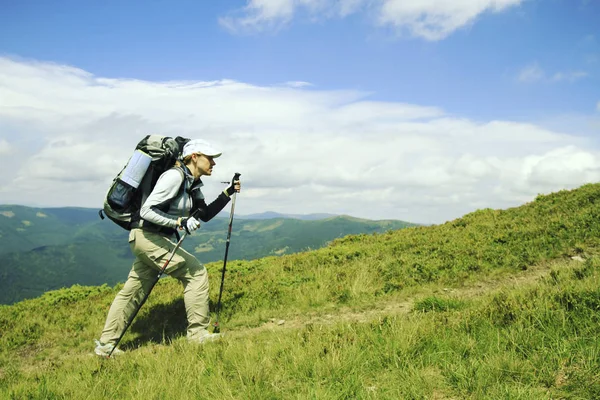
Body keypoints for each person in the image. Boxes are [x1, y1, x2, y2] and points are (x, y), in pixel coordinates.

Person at [94, 138, 241, 356]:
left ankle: (106, 344)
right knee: (196, 272)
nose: (213, 163)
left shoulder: (192, 184)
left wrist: (227, 193)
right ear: (194, 157)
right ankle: (198, 334)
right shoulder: (174, 177)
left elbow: (204, 214)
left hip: (150, 239)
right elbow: (146, 211)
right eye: (209, 158)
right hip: (146, 237)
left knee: (133, 290)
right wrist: (179, 223)